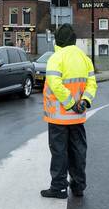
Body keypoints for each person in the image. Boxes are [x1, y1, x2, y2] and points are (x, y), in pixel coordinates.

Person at [41, 24, 97, 199]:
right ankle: (78, 186)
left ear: (58, 40)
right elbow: (92, 83)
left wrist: (70, 103)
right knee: (78, 151)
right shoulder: (84, 58)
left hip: (59, 118)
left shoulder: (56, 58)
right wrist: (85, 101)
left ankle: (58, 188)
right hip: (78, 117)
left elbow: (54, 84)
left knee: (59, 153)